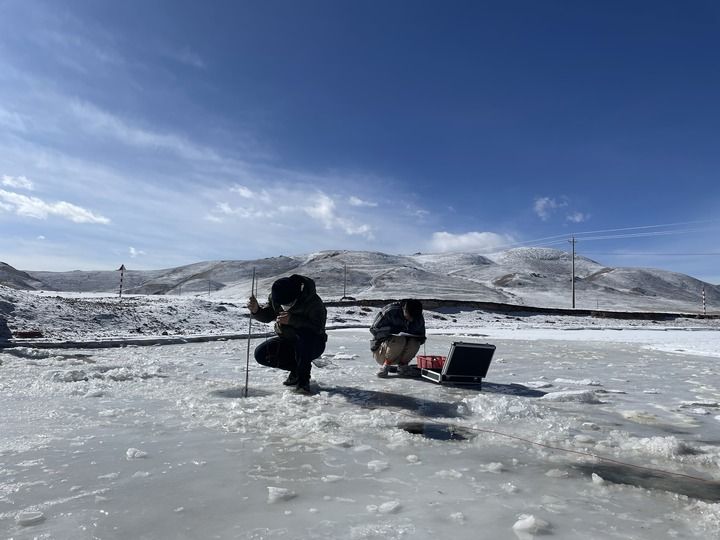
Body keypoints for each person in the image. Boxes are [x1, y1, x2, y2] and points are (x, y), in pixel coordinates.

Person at [248, 274, 327, 394]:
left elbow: (318, 329)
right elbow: (269, 315)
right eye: (282, 305)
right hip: (288, 340)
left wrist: (292, 320)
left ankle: (303, 381)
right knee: (262, 354)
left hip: (313, 344)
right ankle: (295, 370)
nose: (285, 308)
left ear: (297, 295)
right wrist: (256, 311)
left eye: (289, 304)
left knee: (304, 339)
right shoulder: (277, 298)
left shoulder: (314, 303)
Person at [369, 299, 426, 378]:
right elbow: (374, 329)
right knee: (400, 340)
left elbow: (421, 335)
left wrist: (420, 338)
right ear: (404, 309)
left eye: (414, 318)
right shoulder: (390, 311)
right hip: (382, 352)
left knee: (415, 342)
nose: (411, 320)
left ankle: (403, 367)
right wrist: (391, 331)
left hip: (402, 354)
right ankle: (385, 366)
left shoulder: (418, 317)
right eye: (409, 316)